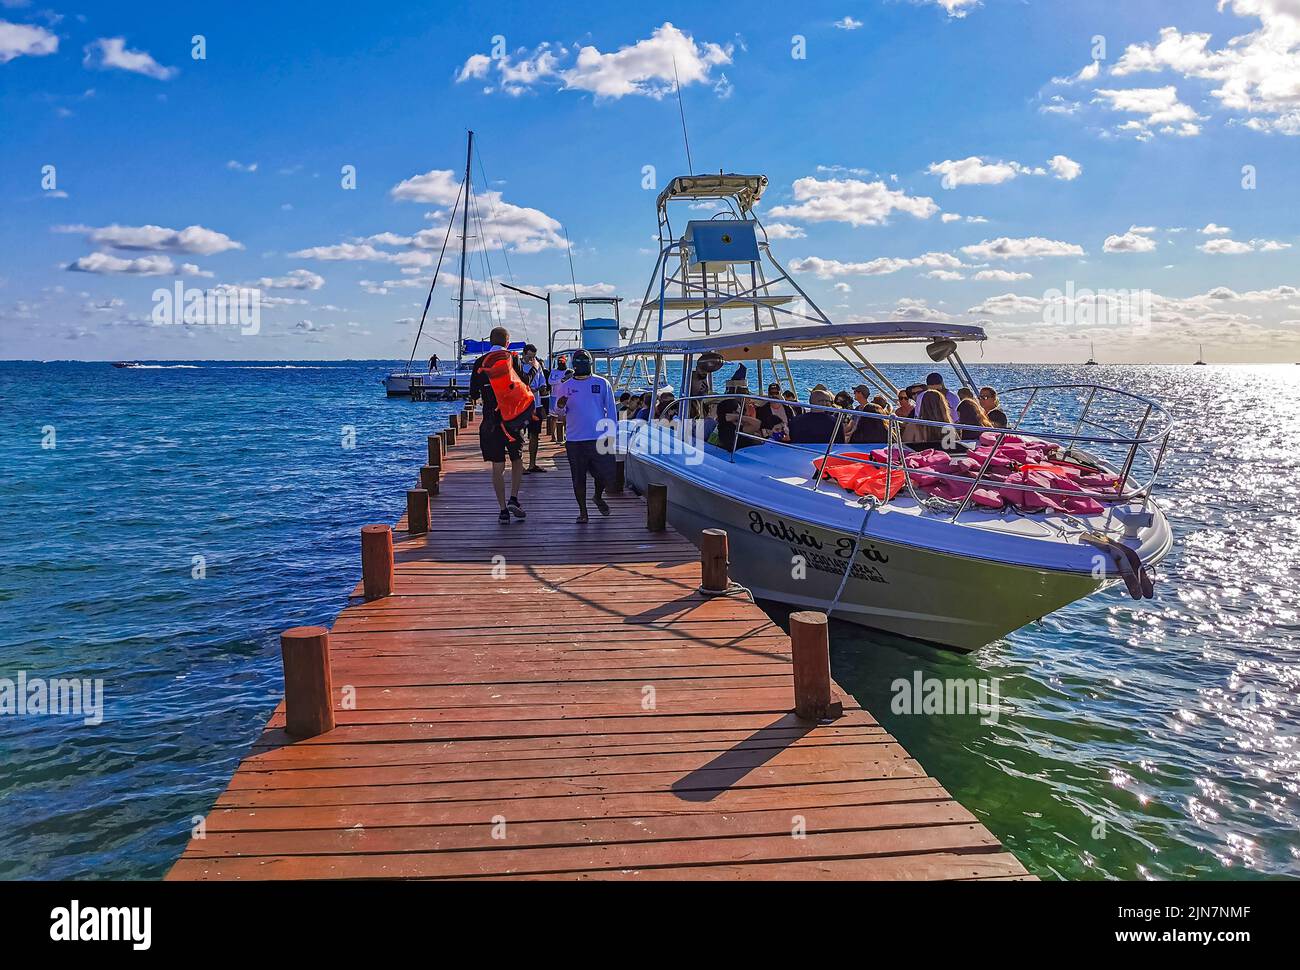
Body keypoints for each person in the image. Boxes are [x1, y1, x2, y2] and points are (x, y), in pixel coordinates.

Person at [468, 326, 532, 525]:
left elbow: (473, 393)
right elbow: (525, 381)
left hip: (491, 422)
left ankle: (503, 510)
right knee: (517, 459)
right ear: (507, 342)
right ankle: (514, 498)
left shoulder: (480, 362)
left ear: (490, 341)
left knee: (497, 466)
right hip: (513, 420)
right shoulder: (512, 359)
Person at [555, 350, 618, 523]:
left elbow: (611, 410)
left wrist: (612, 434)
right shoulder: (565, 386)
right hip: (575, 439)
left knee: (605, 475)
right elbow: (559, 413)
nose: (581, 363)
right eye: (578, 360)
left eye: (585, 360)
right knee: (578, 477)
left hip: (599, 437)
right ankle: (583, 512)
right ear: (573, 364)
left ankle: (597, 496)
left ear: (591, 363)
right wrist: (560, 406)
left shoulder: (602, 383)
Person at [519, 344, 550, 473]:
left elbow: (542, 382)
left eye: (533, 357)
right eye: (529, 357)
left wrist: (542, 388)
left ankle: (532, 464)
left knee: (535, 435)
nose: (532, 360)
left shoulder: (538, 366)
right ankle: (519, 465)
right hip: (521, 406)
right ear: (524, 354)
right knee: (519, 435)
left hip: (535, 405)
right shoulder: (518, 366)